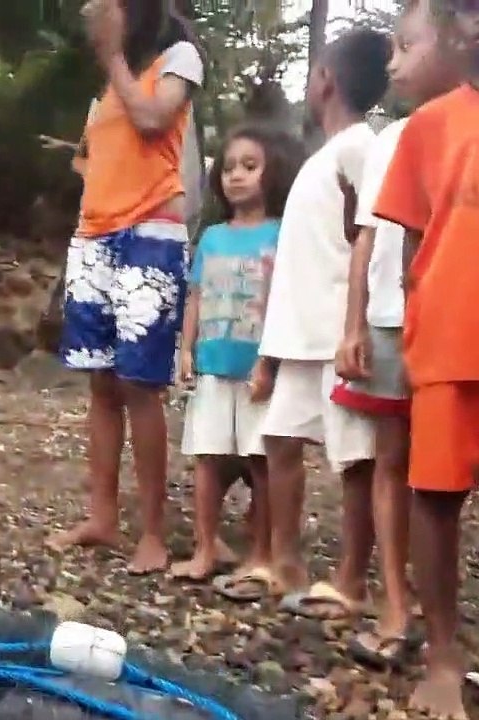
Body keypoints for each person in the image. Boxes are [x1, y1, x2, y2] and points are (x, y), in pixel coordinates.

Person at [333, 0, 463, 671]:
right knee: (410, 476)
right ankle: (415, 624)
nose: (393, 64)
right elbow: (383, 241)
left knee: (430, 477)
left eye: (408, 45)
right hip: (416, 333)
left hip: (444, 334)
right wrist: (361, 323)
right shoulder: (405, 136)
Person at [54, 0, 204, 575]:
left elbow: (152, 120)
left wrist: (112, 55)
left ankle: (154, 534)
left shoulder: (179, 58)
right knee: (101, 382)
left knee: (141, 385)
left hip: (150, 234)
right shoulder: (107, 86)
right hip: (94, 235)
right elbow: (98, 159)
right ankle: (101, 516)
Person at [251, 28, 390, 613]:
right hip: (297, 336)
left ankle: (353, 578)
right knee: (281, 440)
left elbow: (369, 237)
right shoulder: (324, 156)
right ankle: (285, 563)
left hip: (336, 335)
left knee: (354, 459)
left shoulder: (364, 147)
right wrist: (270, 349)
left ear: (326, 80)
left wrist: (355, 327)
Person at [373, 2, 479, 715]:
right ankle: (443, 654)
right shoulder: (430, 125)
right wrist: (419, 327)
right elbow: (413, 245)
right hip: (450, 339)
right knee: (436, 500)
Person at [170, 124, 302, 587]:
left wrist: (279, 359)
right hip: (211, 366)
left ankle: (261, 554)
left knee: (261, 461)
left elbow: (289, 298)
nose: (236, 176)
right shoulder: (211, 238)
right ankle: (205, 548)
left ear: (272, 173)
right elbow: (195, 296)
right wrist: (185, 350)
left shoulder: (282, 234)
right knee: (207, 458)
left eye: (249, 166)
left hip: (259, 371)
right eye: (228, 168)